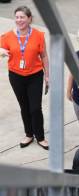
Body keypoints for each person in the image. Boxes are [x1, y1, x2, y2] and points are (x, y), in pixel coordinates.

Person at [0, 6, 49, 150]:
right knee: (24, 107)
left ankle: (40, 137)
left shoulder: (39, 35)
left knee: (35, 108)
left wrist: (47, 75)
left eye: (22, 17)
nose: (19, 20)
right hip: (16, 76)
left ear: (29, 19)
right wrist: (1, 51)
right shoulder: (7, 36)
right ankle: (29, 134)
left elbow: (44, 55)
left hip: (35, 75)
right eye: (17, 17)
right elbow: (1, 51)